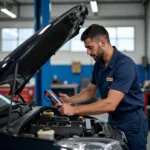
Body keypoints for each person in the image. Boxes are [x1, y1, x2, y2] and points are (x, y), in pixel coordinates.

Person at [58, 24, 148, 150]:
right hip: (114, 119)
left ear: (103, 42)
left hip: (132, 122)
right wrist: (71, 100)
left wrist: (74, 110)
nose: (88, 52)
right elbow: (90, 91)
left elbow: (110, 103)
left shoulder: (124, 65)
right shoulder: (99, 65)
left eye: (90, 47)